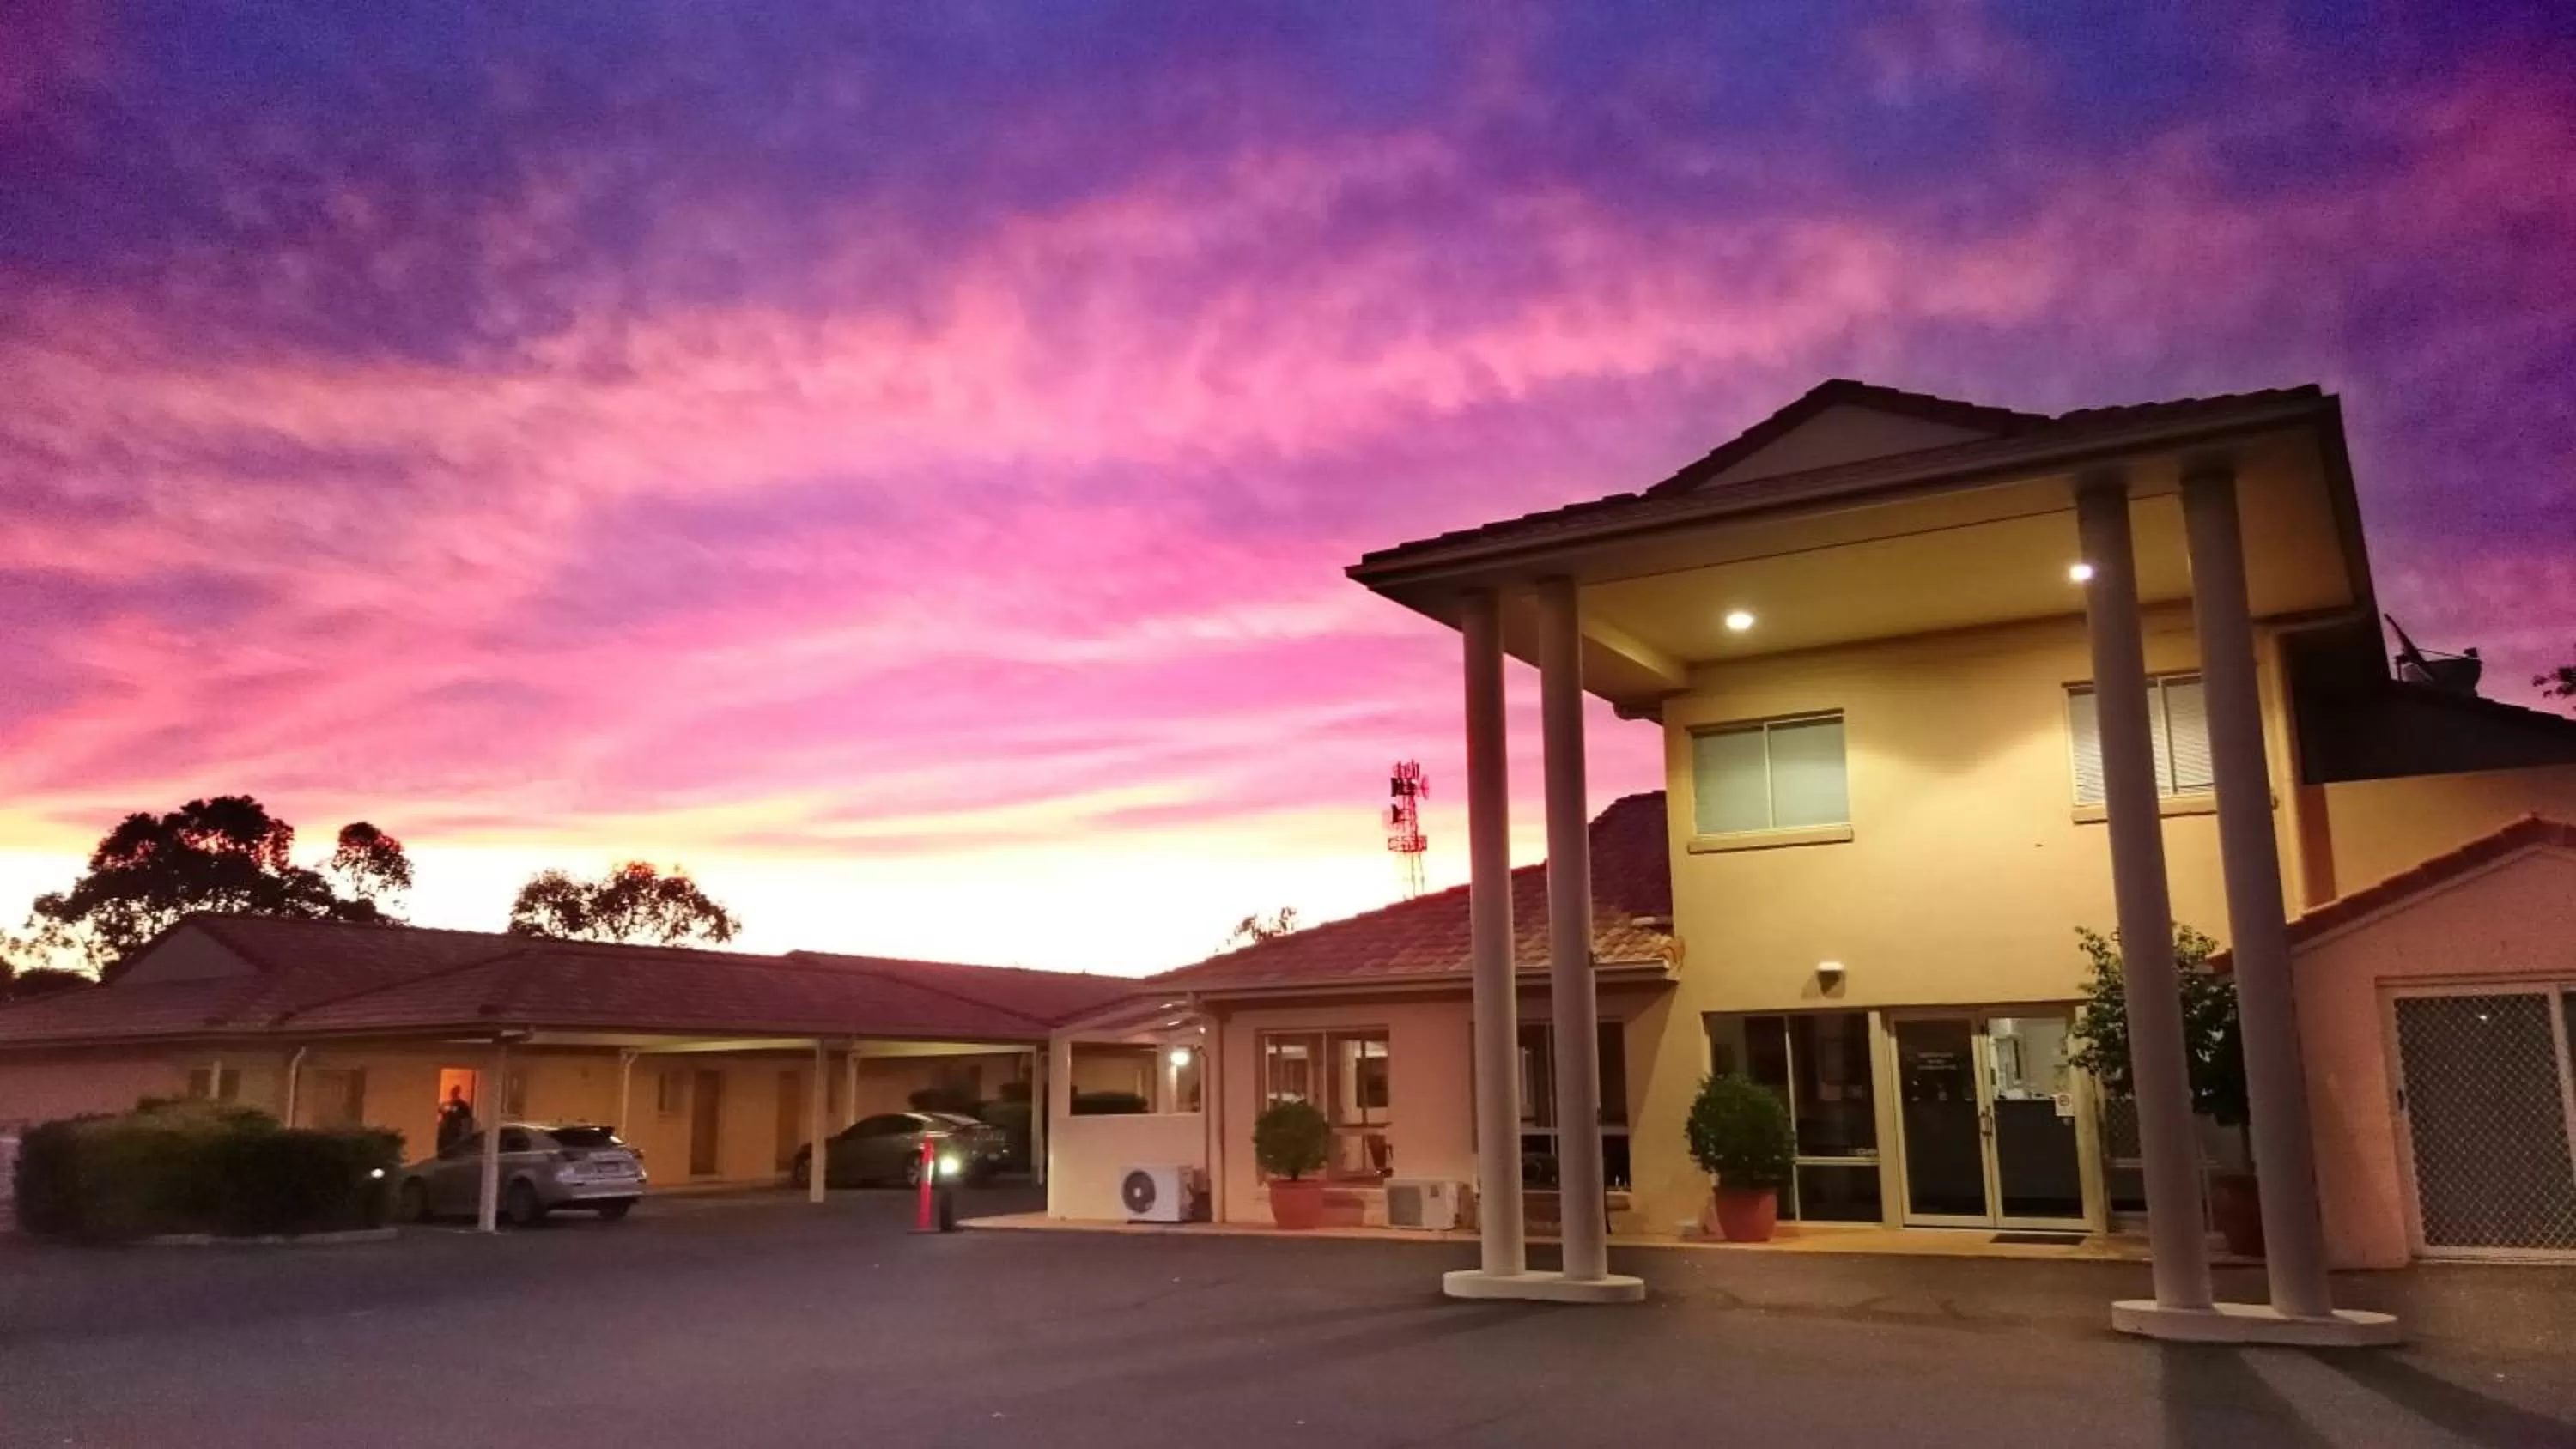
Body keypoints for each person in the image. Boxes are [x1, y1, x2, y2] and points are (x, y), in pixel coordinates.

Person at [436, 1085, 475, 1154]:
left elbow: (462, 1114)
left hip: (454, 1126)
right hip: (448, 1125)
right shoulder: (449, 1103)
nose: (452, 1095)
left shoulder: (461, 1105)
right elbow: (444, 1112)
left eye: (454, 1093)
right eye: (452, 1093)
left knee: (450, 1139)